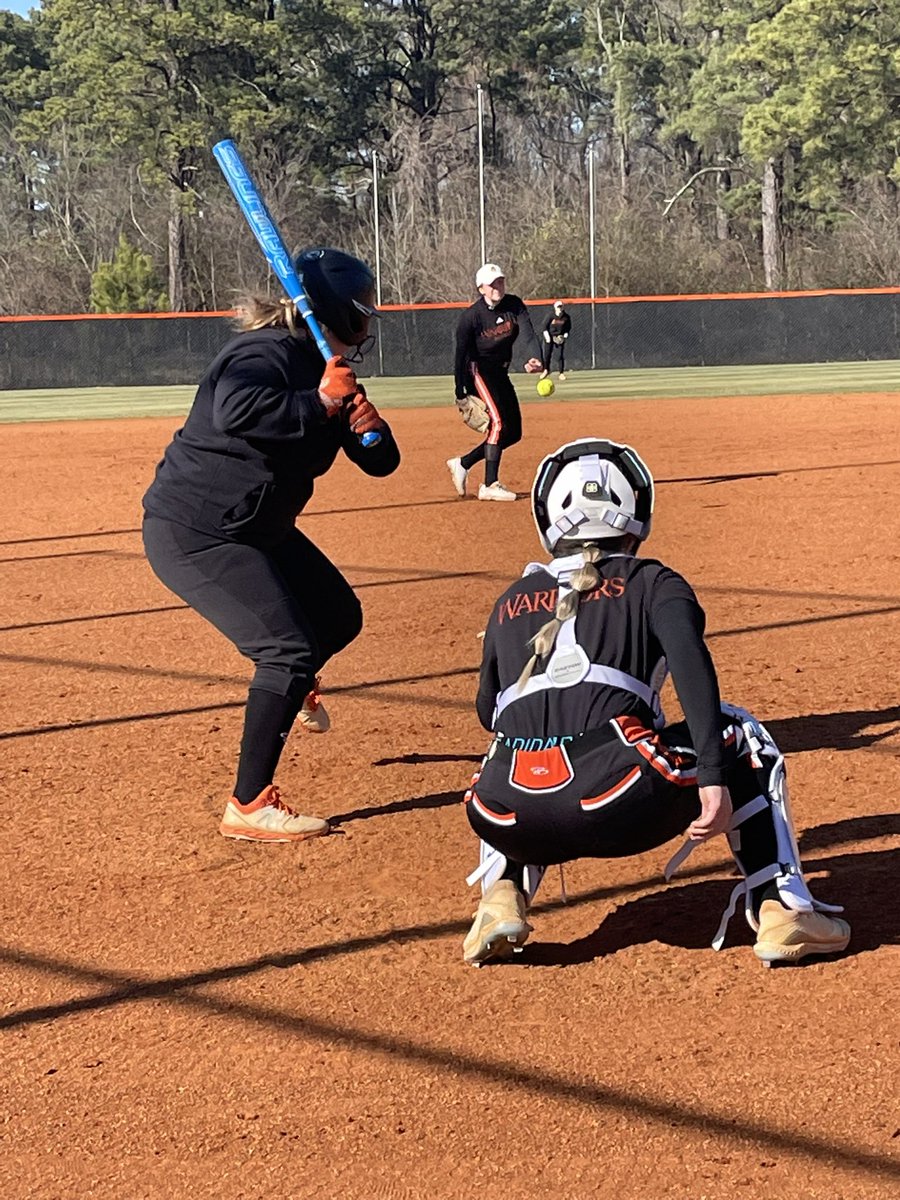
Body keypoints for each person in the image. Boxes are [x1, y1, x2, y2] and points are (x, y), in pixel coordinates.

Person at [462, 438, 850, 966]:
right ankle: (783, 909)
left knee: (511, 747)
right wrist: (712, 775)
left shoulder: (510, 598)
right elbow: (694, 671)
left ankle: (500, 894)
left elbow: (490, 713)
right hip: (618, 798)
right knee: (740, 730)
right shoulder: (653, 582)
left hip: (502, 812)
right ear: (634, 509)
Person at [142, 247, 401, 843]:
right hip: (197, 530)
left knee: (337, 617)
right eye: (363, 314)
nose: (366, 326)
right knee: (287, 649)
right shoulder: (265, 350)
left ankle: (295, 684)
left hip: (257, 526)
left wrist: (367, 428)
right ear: (344, 310)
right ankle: (248, 803)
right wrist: (323, 403)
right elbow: (237, 408)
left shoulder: (324, 365)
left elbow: (382, 463)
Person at [446, 263, 544, 502]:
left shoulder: (514, 305)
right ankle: (489, 484)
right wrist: (461, 390)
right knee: (498, 423)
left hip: (500, 372)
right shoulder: (471, 317)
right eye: (492, 284)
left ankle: (463, 463)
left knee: (513, 432)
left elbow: (528, 334)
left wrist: (535, 358)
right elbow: (460, 355)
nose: (497, 287)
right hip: (477, 371)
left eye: (500, 282)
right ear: (481, 288)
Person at [540, 300, 572, 381]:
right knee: (547, 355)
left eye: (561, 306)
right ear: (555, 307)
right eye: (558, 307)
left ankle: (561, 373)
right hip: (549, 336)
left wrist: (564, 336)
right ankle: (546, 370)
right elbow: (544, 327)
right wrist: (547, 337)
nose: (560, 308)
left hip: (559, 337)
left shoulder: (566, 317)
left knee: (559, 356)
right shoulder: (550, 316)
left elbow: (568, 328)